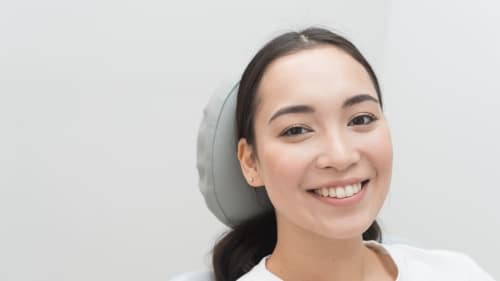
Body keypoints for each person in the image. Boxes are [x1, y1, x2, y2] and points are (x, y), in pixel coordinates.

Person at [196, 27, 496, 281]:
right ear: (250, 162)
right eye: (297, 130)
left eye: (361, 119)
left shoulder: (456, 272)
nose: (341, 156)